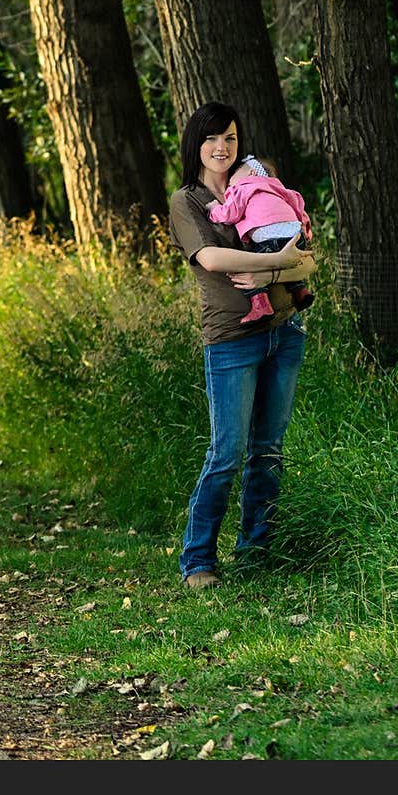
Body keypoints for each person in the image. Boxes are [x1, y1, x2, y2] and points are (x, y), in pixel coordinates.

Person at [168, 102, 317, 590]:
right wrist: (279, 264)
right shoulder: (187, 202)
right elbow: (209, 258)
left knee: (268, 451)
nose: (222, 147)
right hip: (232, 341)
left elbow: (307, 263)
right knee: (226, 453)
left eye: (230, 138)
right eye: (213, 139)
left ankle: (256, 552)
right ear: (197, 144)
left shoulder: (255, 183)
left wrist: (269, 269)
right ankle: (198, 561)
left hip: (284, 332)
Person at [206, 154, 315, 324]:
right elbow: (298, 206)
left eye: (232, 177)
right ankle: (300, 291)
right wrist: (305, 231)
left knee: (251, 265)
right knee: (289, 262)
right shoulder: (279, 188)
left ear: (250, 172)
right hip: (295, 234)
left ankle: (260, 304)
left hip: (269, 237)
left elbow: (230, 213)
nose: (229, 183)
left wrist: (214, 209)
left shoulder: (243, 186)